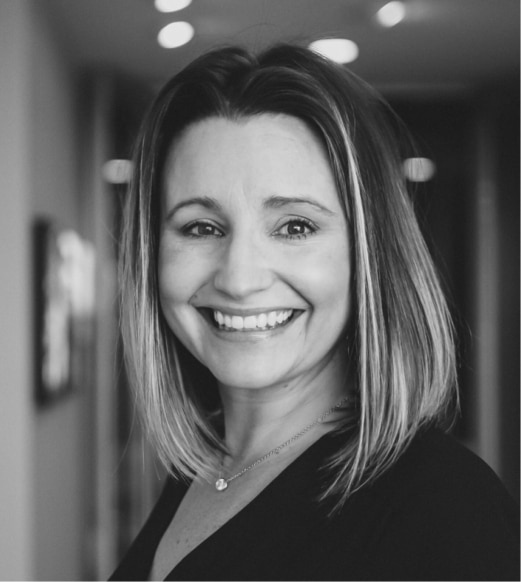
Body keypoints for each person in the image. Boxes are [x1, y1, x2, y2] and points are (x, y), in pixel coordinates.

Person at [111, 44, 519, 581]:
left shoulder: (443, 507)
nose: (239, 278)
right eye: (201, 227)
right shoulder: (205, 469)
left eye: (295, 227)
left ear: (367, 254)